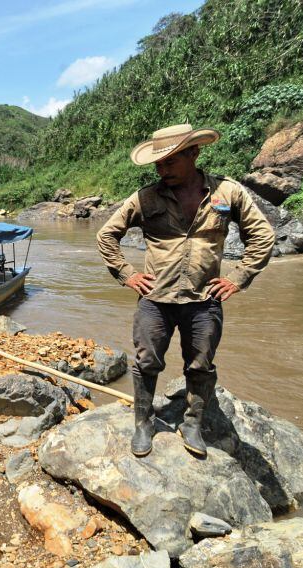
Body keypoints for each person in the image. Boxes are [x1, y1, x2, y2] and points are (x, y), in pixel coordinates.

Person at [96, 124, 276, 458]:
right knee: (146, 362)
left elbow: (262, 235)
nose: (162, 170)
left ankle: (192, 422)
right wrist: (127, 274)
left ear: (194, 153)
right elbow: (106, 235)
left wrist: (238, 278)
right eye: (158, 164)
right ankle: (143, 423)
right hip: (155, 300)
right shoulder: (145, 197)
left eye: (170, 161)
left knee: (201, 366)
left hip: (205, 300)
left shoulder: (227, 192)